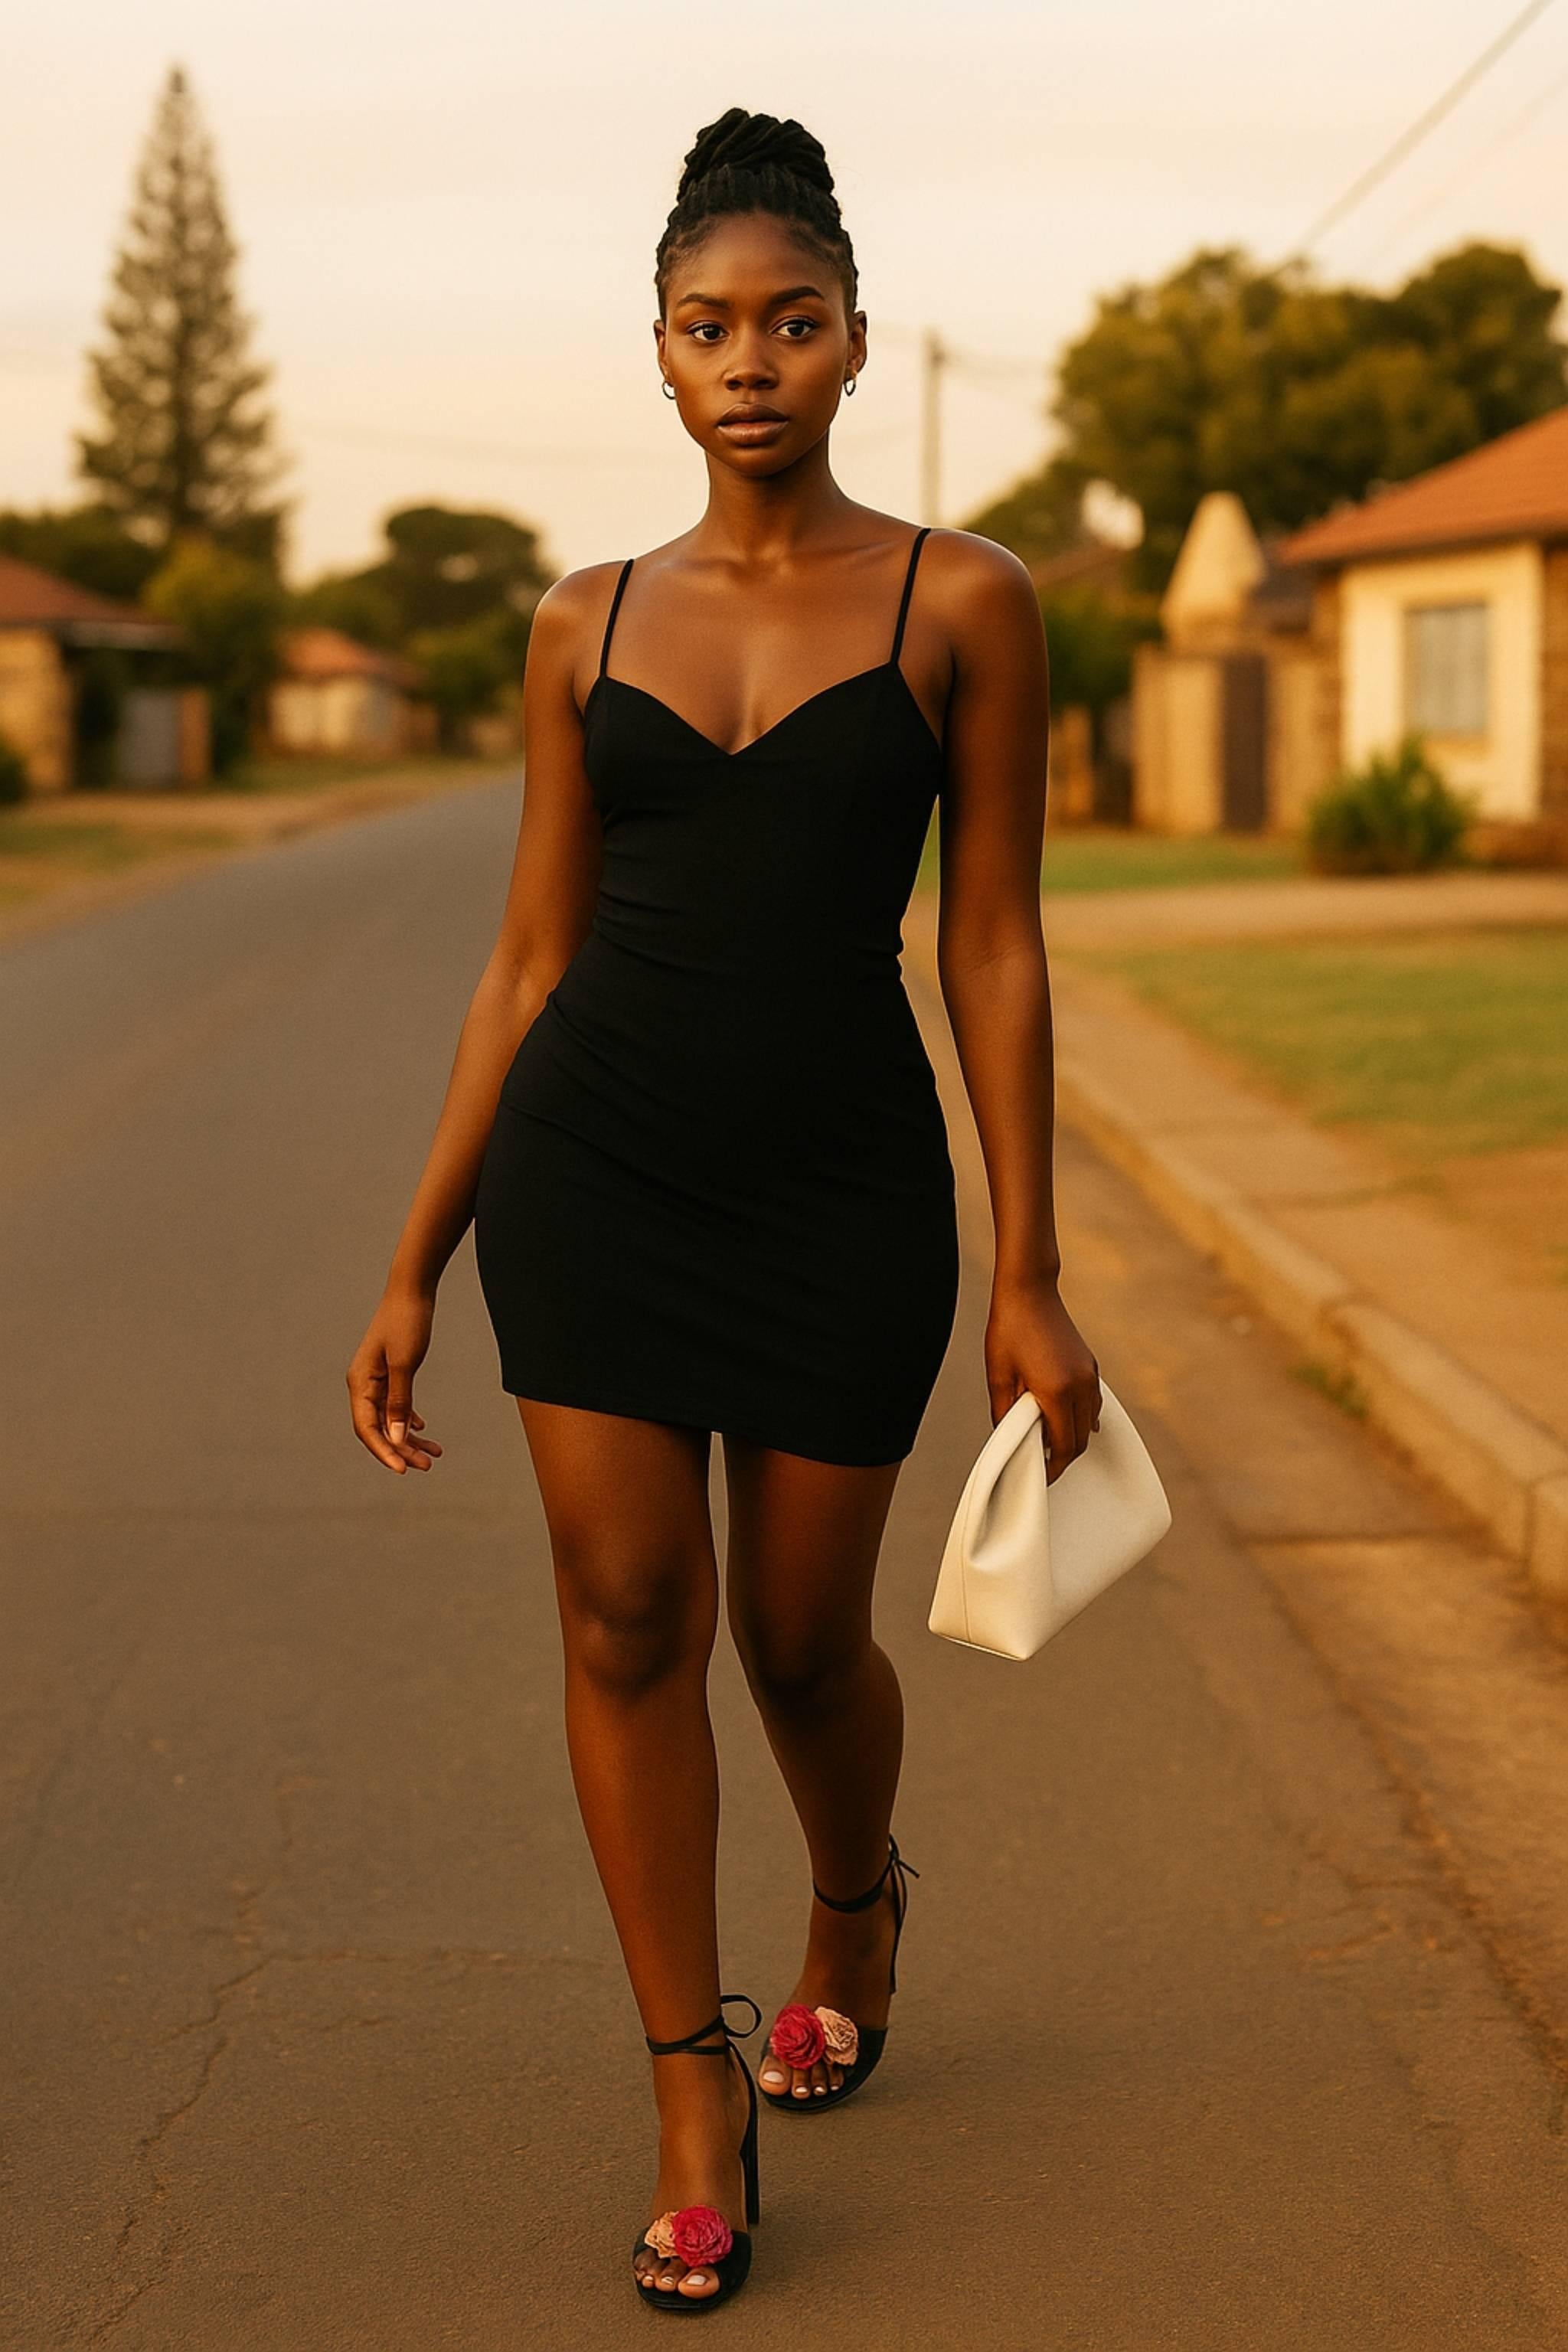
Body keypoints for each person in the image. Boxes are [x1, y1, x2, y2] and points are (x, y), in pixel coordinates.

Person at [347, 104, 1101, 2314]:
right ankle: (693, 2097)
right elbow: (523, 960)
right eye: (707, 325)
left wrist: (1034, 1270)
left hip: (844, 1184)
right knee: (617, 1616)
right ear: (658, 359)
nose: (749, 356)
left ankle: (854, 1900)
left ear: (855, 342)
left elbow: (998, 947)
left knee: (795, 1637)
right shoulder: (582, 625)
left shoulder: (966, 600)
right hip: (600, 1175)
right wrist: (415, 1252)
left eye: (791, 319)